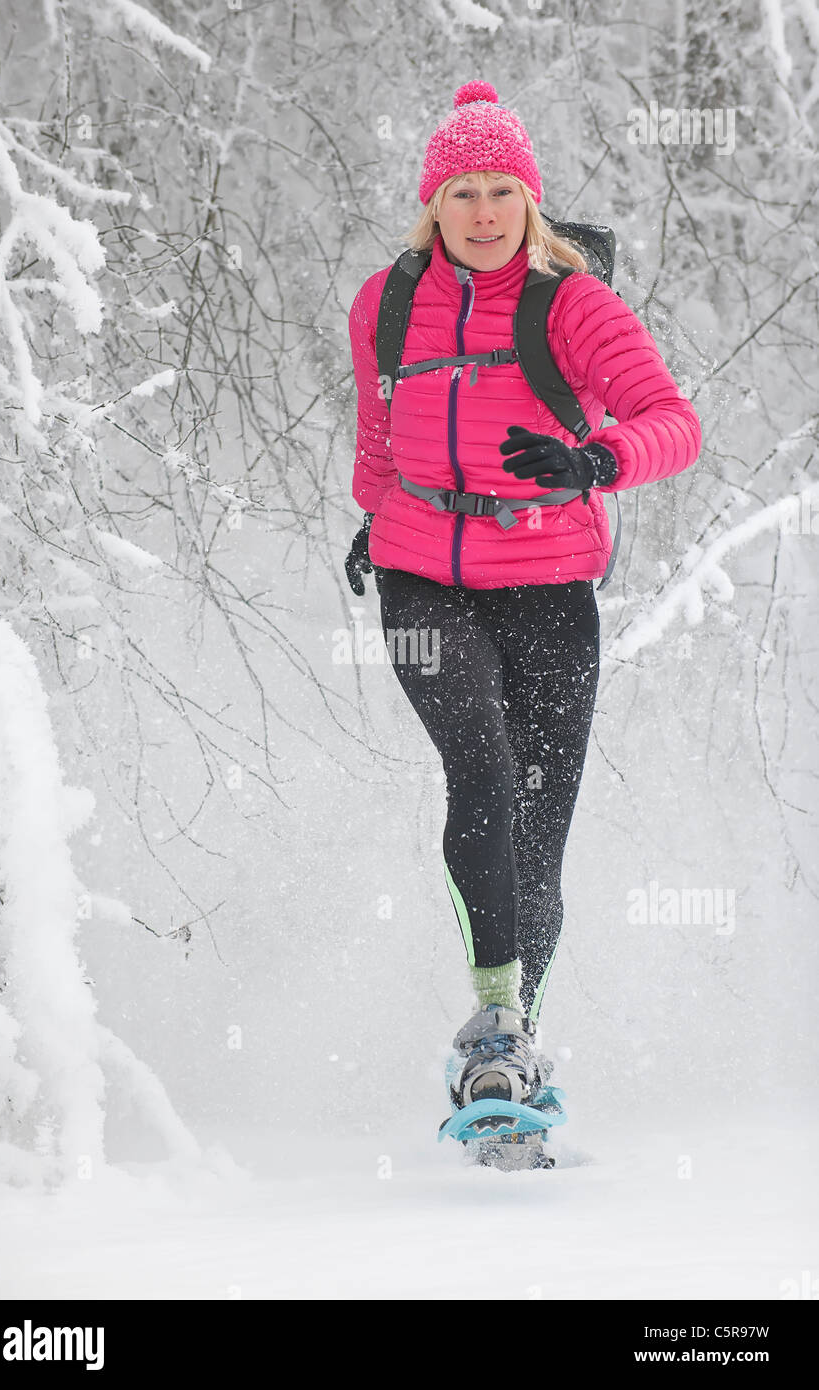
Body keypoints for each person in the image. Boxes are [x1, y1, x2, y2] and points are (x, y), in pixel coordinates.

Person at [344, 81, 701, 1128]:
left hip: (546, 587)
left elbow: (671, 422)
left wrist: (593, 457)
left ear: (530, 202)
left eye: (503, 189)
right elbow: (377, 430)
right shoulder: (387, 302)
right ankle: (491, 1027)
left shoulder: (572, 304)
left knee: (539, 831)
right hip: (422, 575)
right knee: (482, 767)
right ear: (434, 203)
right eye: (463, 190)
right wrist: (373, 518)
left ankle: (512, 1044)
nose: (484, 210)